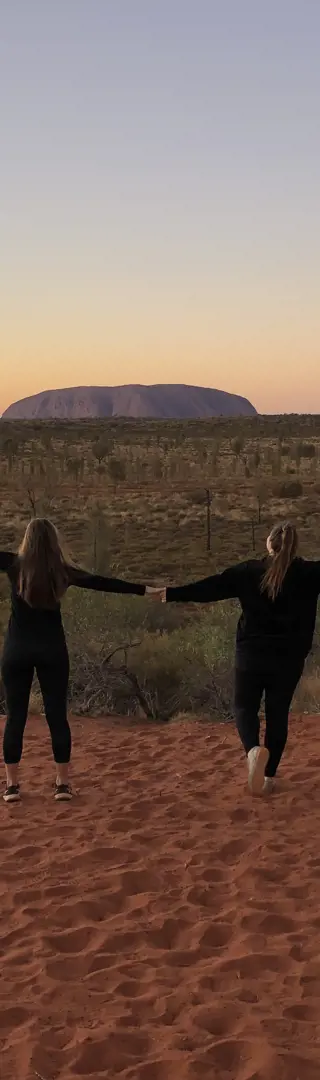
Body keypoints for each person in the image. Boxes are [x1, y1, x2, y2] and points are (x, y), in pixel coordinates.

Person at [150, 523, 320, 795]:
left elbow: (210, 588)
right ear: (295, 546)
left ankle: (253, 750)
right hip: (288, 659)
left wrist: (171, 593)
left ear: (269, 543)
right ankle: (268, 777)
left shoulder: (248, 571)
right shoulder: (311, 574)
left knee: (244, 707)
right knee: (277, 715)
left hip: (251, 655)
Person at [0, 518, 148, 804]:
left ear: (26, 540)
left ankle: (11, 787)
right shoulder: (63, 571)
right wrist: (147, 590)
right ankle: (62, 785)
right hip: (52, 651)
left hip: (16, 651)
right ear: (54, 542)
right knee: (56, 716)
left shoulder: (12, 565)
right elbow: (104, 583)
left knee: (15, 718)